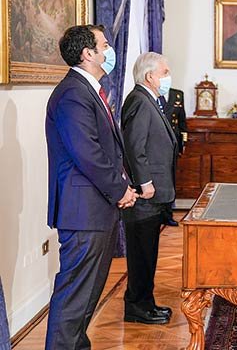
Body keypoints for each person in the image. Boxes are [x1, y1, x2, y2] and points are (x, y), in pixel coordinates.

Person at [45, 24, 138, 349]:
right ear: (88, 54)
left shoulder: (88, 91)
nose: (109, 49)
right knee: (74, 299)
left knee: (85, 301)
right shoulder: (73, 93)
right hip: (83, 213)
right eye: (104, 44)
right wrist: (121, 190)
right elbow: (88, 153)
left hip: (95, 211)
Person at [121, 52, 178, 325]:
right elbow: (134, 146)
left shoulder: (150, 100)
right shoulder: (139, 102)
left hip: (153, 193)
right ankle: (137, 307)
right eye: (165, 72)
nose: (168, 77)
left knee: (149, 252)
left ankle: (147, 303)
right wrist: (145, 183)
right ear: (150, 76)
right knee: (141, 253)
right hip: (146, 194)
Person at [158, 87, 188, 226]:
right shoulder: (151, 94)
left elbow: (182, 121)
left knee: (171, 178)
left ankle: (168, 213)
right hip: (156, 142)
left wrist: (183, 143)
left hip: (173, 143)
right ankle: (157, 213)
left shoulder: (177, 94)